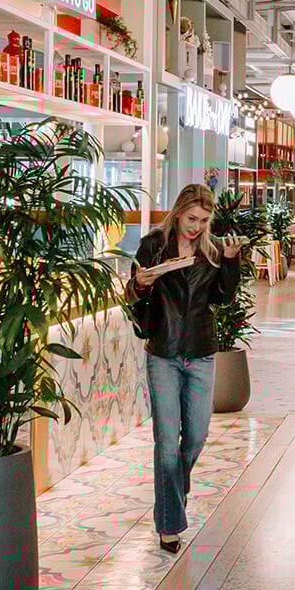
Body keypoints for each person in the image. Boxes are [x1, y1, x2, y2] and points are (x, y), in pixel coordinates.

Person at [126, 184, 244, 554]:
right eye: (192, 219)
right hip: (162, 352)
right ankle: (170, 526)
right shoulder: (152, 247)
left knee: (194, 438)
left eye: (204, 220)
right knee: (166, 446)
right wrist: (140, 284)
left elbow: (223, 299)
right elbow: (132, 294)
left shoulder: (212, 250)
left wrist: (231, 261)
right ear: (178, 213)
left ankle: (175, 486)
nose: (196, 226)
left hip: (201, 352)